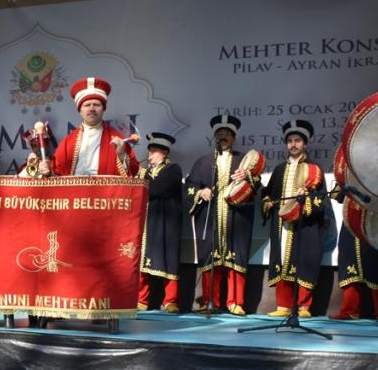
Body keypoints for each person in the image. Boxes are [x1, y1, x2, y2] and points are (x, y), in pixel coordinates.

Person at [185, 114, 259, 315]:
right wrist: (201, 192)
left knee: (236, 258)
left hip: (237, 217)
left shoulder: (243, 160)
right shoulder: (203, 161)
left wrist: (248, 176)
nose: (223, 137)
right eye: (219, 134)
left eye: (227, 134)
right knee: (211, 259)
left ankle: (236, 302)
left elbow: (257, 185)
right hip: (210, 217)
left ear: (234, 138)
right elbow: (190, 186)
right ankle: (210, 301)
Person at [261, 120, 326, 317]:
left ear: (305, 143)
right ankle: (283, 306)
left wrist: (305, 201)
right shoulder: (280, 169)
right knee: (282, 261)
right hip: (282, 226)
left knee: (304, 261)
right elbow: (267, 195)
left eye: (297, 140)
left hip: (304, 225)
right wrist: (269, 204)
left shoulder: (315, 170)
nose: (293, 144)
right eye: (290, 141)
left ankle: (304, 306)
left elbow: (321, 202)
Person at [329, 147, 378, 322]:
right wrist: (342, 183)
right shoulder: (348, 167)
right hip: (350, 218)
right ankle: (349, 309)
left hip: (375, 219)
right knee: (349, 260)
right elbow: (337, 196)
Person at [45, 77, 139, 177]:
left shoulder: (118, 138)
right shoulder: (68, 142)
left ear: (103, 109)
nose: (92, 109)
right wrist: (47, 170)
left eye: (96, 105)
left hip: (104, 191)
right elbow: (56, 173)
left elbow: (133, 171)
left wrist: (121, 154)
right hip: (75, 191)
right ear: (80, 110)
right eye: (87, 105)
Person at [137, 133, 183, 313]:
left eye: (153, 152)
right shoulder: (146, 172)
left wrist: (143, 179)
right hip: (147, 223)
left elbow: (158, 189)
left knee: (168, 259)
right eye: (149, 151)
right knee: (143, 261)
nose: (149, 155)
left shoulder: (173, 169)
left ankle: (170, 300)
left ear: (164, 152)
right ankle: (141, 300)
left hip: (166, 223)